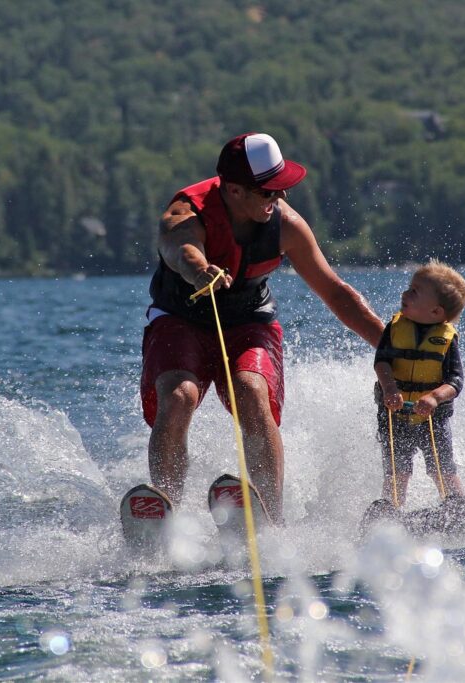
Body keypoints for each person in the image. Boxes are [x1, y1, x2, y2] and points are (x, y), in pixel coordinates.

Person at [140, 132, 384, 524]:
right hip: (180, 319)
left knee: (251, 392)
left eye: (281, 190)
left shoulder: (285, 225)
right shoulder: (185, 214)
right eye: (269, 192)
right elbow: (180, 249)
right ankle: (163, 509)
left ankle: (270, 515)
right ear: (234, 191)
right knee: (179, 395)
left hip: (251, 321)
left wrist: (391, 347)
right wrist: (200, 270)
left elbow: (336, 293)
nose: (279, 200)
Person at [373, 260, 465, 506]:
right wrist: (390, 388)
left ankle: (457, 505)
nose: (405, 293)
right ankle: (392, 507)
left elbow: (456, 381)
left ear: (436, 312)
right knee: (397, 471)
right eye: (409, 287)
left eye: (414, 291)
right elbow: (382, 362)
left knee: (443, 469)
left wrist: (434, 397)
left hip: (433, 417)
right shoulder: (393, 329)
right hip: (394, 412)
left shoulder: (447, 340)